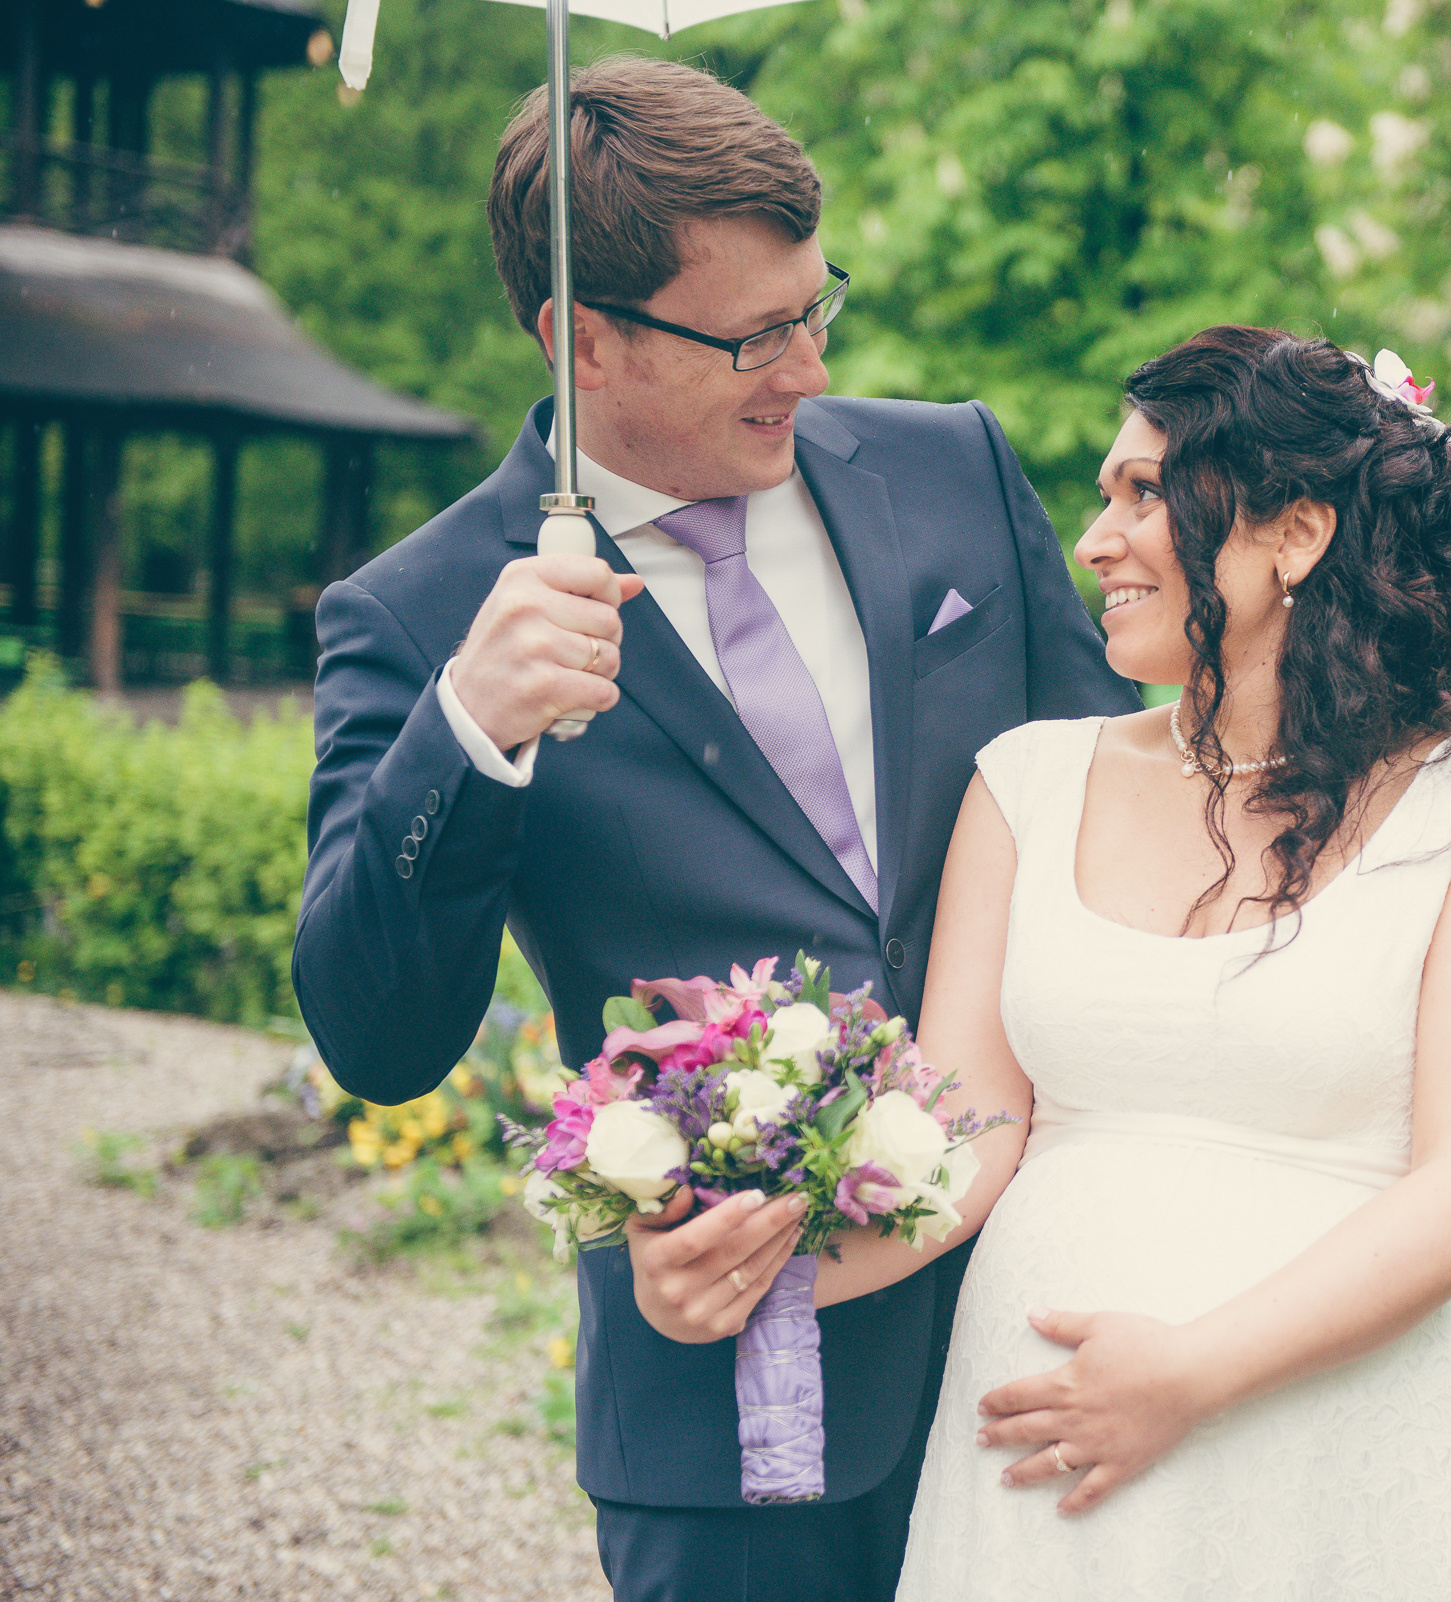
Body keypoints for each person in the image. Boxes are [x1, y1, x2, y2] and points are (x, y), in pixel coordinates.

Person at [292, 56, 1135, 1602]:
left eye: (820, 308)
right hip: (737, 1406)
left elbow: (1125, 813)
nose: (806, 369)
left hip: (1058, 1333)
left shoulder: (955, 466)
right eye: (754, 335)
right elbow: (377, 1036)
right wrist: (469, 728)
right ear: (583, 338)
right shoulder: (418, 617)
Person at [892, 326, 1451, 1598]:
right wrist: (766, 1255)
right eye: (1105, 497)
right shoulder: (1026, 784)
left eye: (1144, 494)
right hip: (1054, 1456)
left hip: (1342, 1461)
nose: (1096, 541)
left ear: (1296, 534)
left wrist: (1191, 1373)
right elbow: (962, 1138)